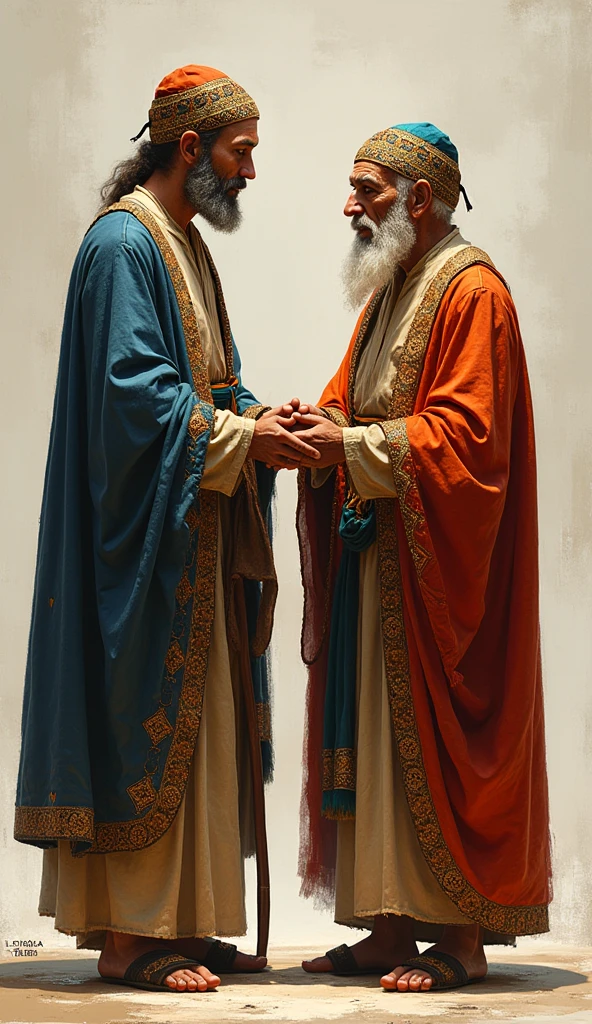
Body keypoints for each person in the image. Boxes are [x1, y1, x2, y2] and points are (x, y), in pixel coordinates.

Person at [14, 63, 318, 994]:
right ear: (189, 148)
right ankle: (129, 937)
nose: (252, 173)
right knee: (145, 723)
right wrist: (236, 435)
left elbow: (204, 382)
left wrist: (264, 419)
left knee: (208, 731)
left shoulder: (183, 244)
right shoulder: (123, 246)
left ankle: (182, 922)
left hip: (196, 535)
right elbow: (130, 403)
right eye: (242, 152)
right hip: (142, 548)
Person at [293, 122, 551, 992]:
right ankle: (388, 926)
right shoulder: (393, 289)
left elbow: (471, 441)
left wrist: (353, 449)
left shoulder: (473, 293)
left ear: (419, 198)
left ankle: (460, 935)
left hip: (436, 566)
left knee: (431, 747)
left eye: (364, 189)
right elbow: (351, 397)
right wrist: (312, 428)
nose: (349, 206)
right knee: (370, 745)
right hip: (382, 560)